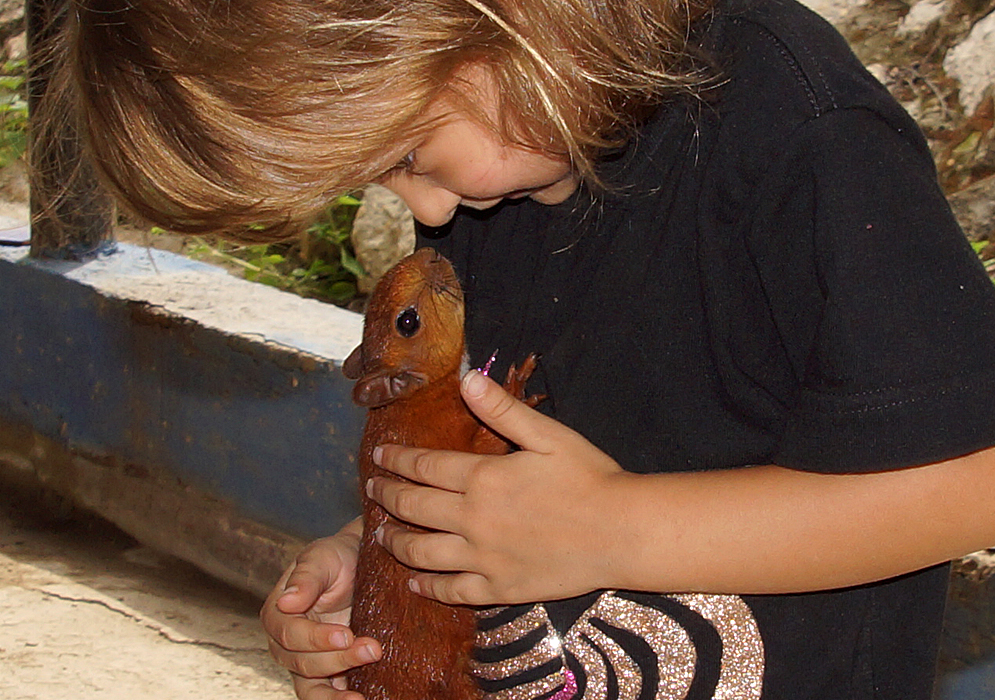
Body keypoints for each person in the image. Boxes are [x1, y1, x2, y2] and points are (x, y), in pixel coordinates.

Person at [49, 0, 995, 698]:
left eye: (408, 156)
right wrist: (386, 563)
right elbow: (512, 459)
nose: (426, 213)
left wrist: (615, 532)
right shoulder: (497, 174)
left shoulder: (797, 134)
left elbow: (975, 479)